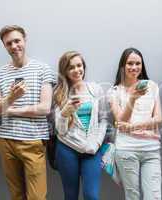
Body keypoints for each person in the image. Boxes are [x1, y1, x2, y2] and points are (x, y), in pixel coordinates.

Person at [0, 25, 55, 200]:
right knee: (16, 195)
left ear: (25, 39)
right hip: (6, 142)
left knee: (37, 197)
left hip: (33, 141)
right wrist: (10, 98)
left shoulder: (43, 69)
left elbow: (44, 108)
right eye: (9, 43)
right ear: (4, 46)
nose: (14, 46)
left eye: (17, 41)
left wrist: (9, 110)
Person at [108, 47, 162, 200]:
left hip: (151, 149)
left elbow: (158, 119)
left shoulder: (152, 86)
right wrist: (132, 99)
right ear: (123, 66)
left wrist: (132, 127)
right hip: (126, 149)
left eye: (138, 63)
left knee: (154, 196)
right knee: (132, 196)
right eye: (130, 63)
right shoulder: (114, 91)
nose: (134, 67)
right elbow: (120, 121)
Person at [54, 51, 108, 200]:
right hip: (67, 148)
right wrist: (65, 113)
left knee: (91, 195)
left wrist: (97, 143)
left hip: (91, 149)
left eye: (79, 65)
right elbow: (60, 130)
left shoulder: (95, 89)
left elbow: (103, 119)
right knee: (70, 196)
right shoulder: (60, 93)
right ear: (65, 71)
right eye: (71, 67)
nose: (77, 70)